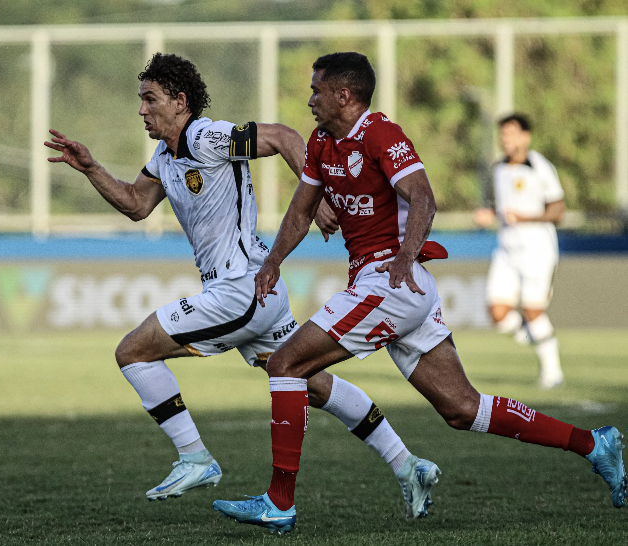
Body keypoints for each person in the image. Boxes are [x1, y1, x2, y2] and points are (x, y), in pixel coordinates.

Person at [213, 52, 626, 534]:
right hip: (389, 285)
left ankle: (279, 502)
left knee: (285, 363)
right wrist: (272, 261)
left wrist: (405, 256)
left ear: (343, 95)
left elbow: (423, 196)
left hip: (390, 281)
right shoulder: (323, 142)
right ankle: (594, 444)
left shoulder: (381, 134)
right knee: (461, 408)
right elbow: (302, 211)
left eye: (316, 90)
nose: (309, 100)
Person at [44, 52, 440, 515]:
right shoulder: (166, 154)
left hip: (238, 290)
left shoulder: (206, 135)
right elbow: (136, 204)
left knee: (132, 351)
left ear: (179, 100)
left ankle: (194, 457)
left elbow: (284, 137)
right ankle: (406, 463)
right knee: (308, 381)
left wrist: (320, 200)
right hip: (255, 292)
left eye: (150, 99)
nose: (141, 110)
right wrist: (91, 168)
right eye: (141, 101)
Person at [473, 114, 565, 389]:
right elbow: (496, 208)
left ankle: (553, 371)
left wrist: (523, 218)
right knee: (498, 313)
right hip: (507, 249)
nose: (506, 140)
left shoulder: (539, 167)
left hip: (537, 249)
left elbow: (557, 211)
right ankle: (540, 339)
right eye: (503, 134)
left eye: (511, 134)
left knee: (533, 310)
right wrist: (487, 215)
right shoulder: (498, 168)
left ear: (526, 136)